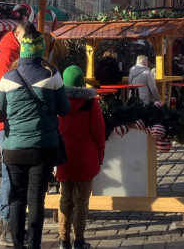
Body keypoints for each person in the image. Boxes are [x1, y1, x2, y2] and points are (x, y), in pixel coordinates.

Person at [0, 29, 69, 249]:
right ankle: (34, 245)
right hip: (43, 147)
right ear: (41, 50)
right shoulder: (52, 75)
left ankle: (18, 245)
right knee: (36, 200)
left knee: (17, 198)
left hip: (14, 148)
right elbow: (64, 110)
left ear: (23, 50)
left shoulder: (8, 78)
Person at [56, 65, 105, 249]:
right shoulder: (91, 103)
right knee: (81, 201)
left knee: (65, 199)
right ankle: (79, 240)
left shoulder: (58, 103)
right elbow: (99, 131)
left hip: (63, 157)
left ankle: (63, 240)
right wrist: (100, 153)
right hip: (85, 158)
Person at [0, 19, 30, 246]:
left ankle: (11, 223)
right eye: (26, 36)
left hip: (14, 120)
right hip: (8, 121)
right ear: (17, 34)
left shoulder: (17, 52)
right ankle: (5, 224)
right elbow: (4, 90)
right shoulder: (8, 54)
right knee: (9, 173)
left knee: (15, 173)